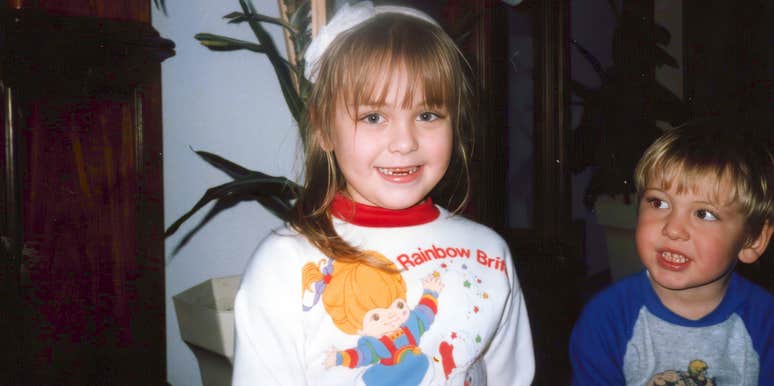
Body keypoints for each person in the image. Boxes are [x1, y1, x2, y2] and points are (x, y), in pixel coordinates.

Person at [231, 2, 535, 385]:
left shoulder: (490, 254)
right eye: (374, 117)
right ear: (323, 128)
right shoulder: (286, 265)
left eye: (427, 115)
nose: (405, 142)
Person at [569, 116, 774, 385]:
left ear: (754, 240)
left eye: (704, 213)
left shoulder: (765, 322)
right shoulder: (606, 319)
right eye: (658, 202)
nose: (673, 229)